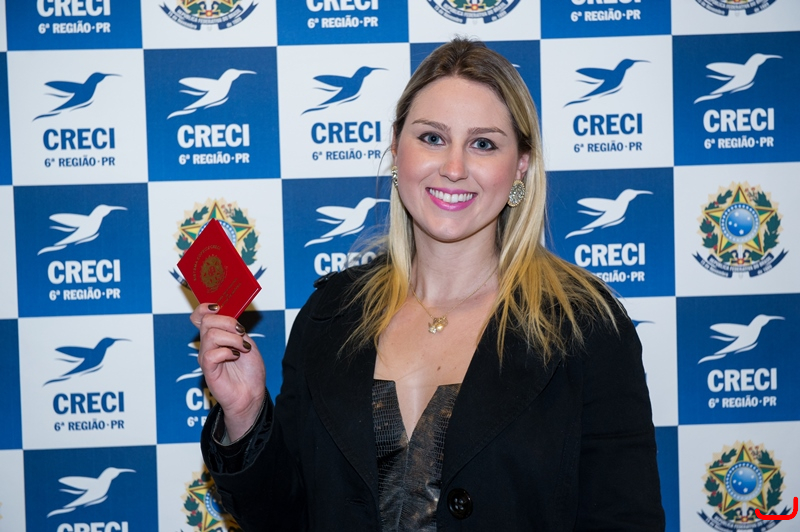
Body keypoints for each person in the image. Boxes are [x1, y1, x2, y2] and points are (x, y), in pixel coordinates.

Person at [192, 38, 665, 531]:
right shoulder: (330, 315)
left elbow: (624, 521)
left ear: (521, 165)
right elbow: (285, 519)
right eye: (433, 138)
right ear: (397, 149)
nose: (454, 168)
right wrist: (246, 413)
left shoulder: (584, 327)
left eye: (483, 144)